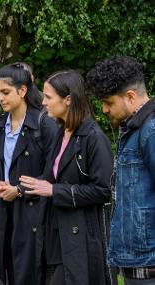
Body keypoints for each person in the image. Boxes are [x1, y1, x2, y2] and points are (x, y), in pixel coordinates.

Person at [19, 69, 114, 285]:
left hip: (81, 239)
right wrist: (20, 188)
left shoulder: (94, 138)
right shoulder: (62, 133)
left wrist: (54, 191)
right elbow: (51, 178)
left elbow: (103, 190)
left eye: (49, 97)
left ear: (68, 100)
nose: (43, 102)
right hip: (56, 233)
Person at [87, 55, 155, 285]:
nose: (104, 109)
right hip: (135, 261)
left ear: (130, 96)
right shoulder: (134, 129)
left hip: (149, 266)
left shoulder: (151, 130)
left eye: (108, 102)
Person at [0, 63, 58, 285]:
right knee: (8, 266)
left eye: (6, 92)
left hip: (34, 211)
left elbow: (53, 171)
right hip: (5, 210)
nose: (0, 98)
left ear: (22, 91)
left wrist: (19, 191)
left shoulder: (43, 124)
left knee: (29, 271)